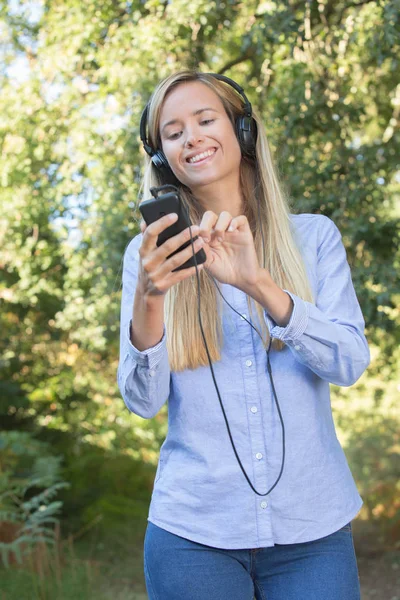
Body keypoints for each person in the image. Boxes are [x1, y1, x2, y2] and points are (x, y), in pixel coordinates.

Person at [117, 71, 370, 600]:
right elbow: (142, 401)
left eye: (205, 120)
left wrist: (259, 284)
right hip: (193, 535)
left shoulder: (315, 237)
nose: (192, 138)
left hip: (313, 532)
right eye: (173, 131)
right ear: (162, 156)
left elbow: (348, 363)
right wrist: (152, 296)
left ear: (242, 132)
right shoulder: (147, 260)